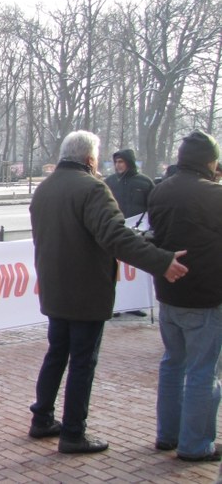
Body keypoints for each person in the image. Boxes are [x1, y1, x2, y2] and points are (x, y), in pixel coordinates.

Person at [28, 130, 187, 455]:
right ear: (89, 159)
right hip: (86, 289)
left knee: (57, 354)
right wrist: (161, 261)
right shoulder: (93, 188)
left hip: (55, 288)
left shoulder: (45, 188)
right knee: (82, 362)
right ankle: (73, 432)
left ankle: (42, 417)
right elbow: (115, 237)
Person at [148, 131, 222, 463]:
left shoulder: (160, 190)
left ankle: (168, 435)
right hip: (206, 295)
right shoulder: (213, 194)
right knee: (203, 371)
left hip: (168, 291)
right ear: (210, 161)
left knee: (172, 364)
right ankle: (195, 444)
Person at [105, 148, 154, 219]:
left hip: (139, 225)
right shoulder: (109, 181)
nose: (117, 165)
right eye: (116, 162)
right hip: (115, 224)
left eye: (120, 162)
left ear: (129, 162)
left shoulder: (145, 182)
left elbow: (154, 206)